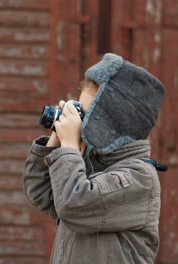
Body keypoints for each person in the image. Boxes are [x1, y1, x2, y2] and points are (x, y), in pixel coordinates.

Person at [23, 53, 165, 263]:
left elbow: (73, 204)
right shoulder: (90, 166)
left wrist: (70, 145)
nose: (81, 122)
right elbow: (40, 193)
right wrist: (57, 137)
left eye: (86, 115)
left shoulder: (139, 179)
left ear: (112, 125)